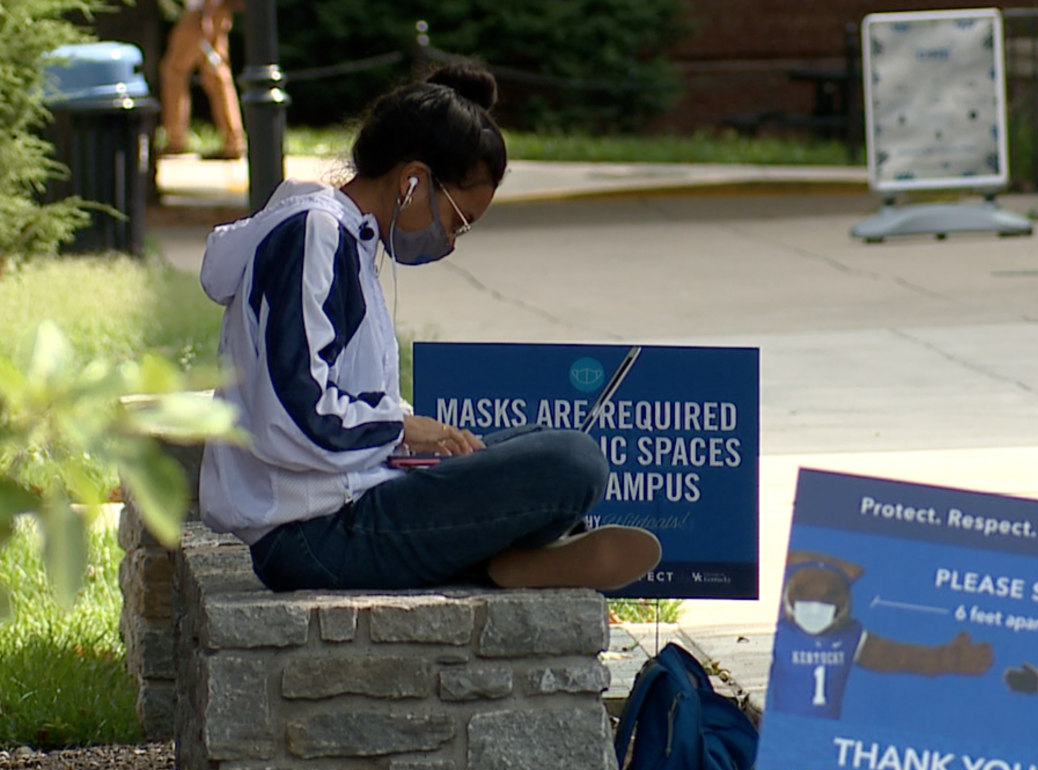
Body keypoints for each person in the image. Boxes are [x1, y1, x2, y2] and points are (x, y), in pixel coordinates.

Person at [197, 64, 662, 593]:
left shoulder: (348, 239)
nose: (452, 241)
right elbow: (293, 419)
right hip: (312, 534)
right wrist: (400, 429)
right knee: (572, 463)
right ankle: (506, 556)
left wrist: (418, 441)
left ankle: (508, 557)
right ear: (413, 181)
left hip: (342, 505)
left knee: (529, 445)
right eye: (457, 219)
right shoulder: (314, 235)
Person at [159, 0, 247, 159]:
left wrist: (205, 14)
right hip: (215, 10)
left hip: (202, 12)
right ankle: (234, 140)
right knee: (216, 75)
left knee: (174, 72)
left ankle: (176, 139)